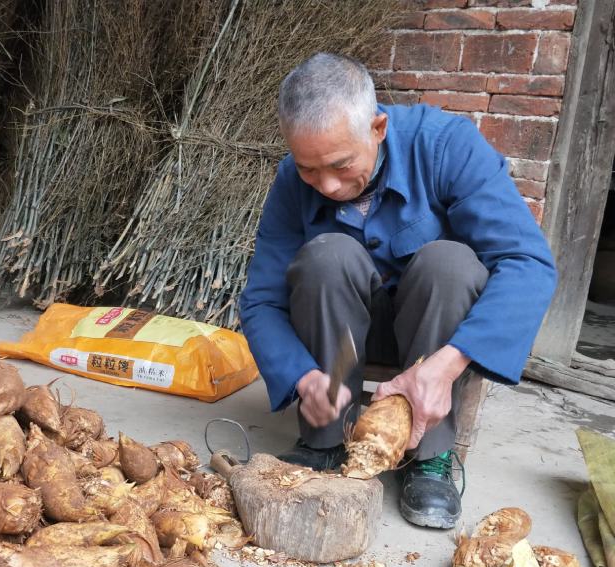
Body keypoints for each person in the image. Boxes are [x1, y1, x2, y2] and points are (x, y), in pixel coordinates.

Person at [239, 53, 557, 529]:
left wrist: (446, 366)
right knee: (327, 256)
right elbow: (261, 298)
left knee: (448, 262)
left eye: (341, 165)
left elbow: (528, 264)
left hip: (436, 334)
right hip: (342, 336)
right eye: (309, 170)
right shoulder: (293, 178)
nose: (327, 185)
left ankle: (429, 455)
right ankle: (324, 440)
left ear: (379, 127)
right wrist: (303, 377)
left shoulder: (448, 147)